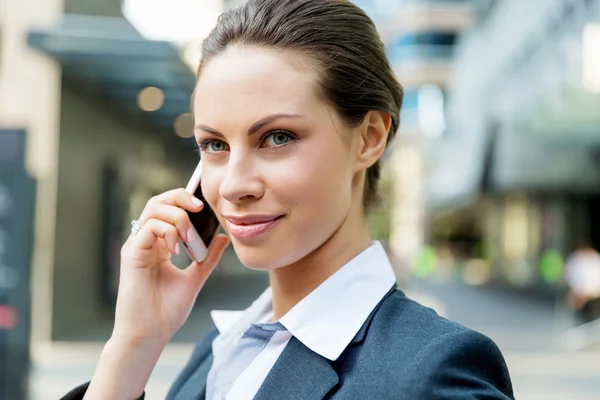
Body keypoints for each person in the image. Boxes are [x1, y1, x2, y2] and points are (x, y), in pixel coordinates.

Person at [63, 0, 514, 398]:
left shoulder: (434, 373)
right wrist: (133, 346)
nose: (234, 185)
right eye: (215, 145)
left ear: (369, 138)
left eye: (277, 137)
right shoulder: (218, 350)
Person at [564, 244, 600, 325]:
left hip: (592, 294)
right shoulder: (576, 258)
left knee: (592, 316)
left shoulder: (595, 258)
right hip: (580, 292)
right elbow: (571, 274)